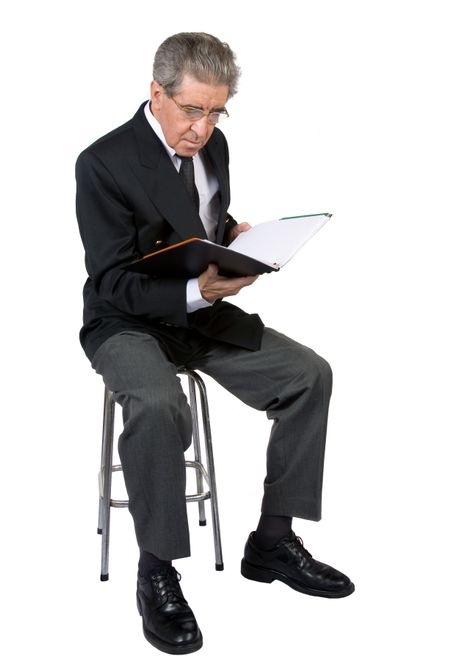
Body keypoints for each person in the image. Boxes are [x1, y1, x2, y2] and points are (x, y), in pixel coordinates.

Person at [75, 31, 354, 656]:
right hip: (126, 322)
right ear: (157, 93)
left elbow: (196, 221)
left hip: (199, 316)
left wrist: (237, 238)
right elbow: (112, 279)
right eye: (191, 109)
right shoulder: (102, 163)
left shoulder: (214, 145)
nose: (202, 127)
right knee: (157, 404)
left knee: (310, 374)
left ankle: (272, 541)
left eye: (216, 110)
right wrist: (199, 290)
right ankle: (158, 572)